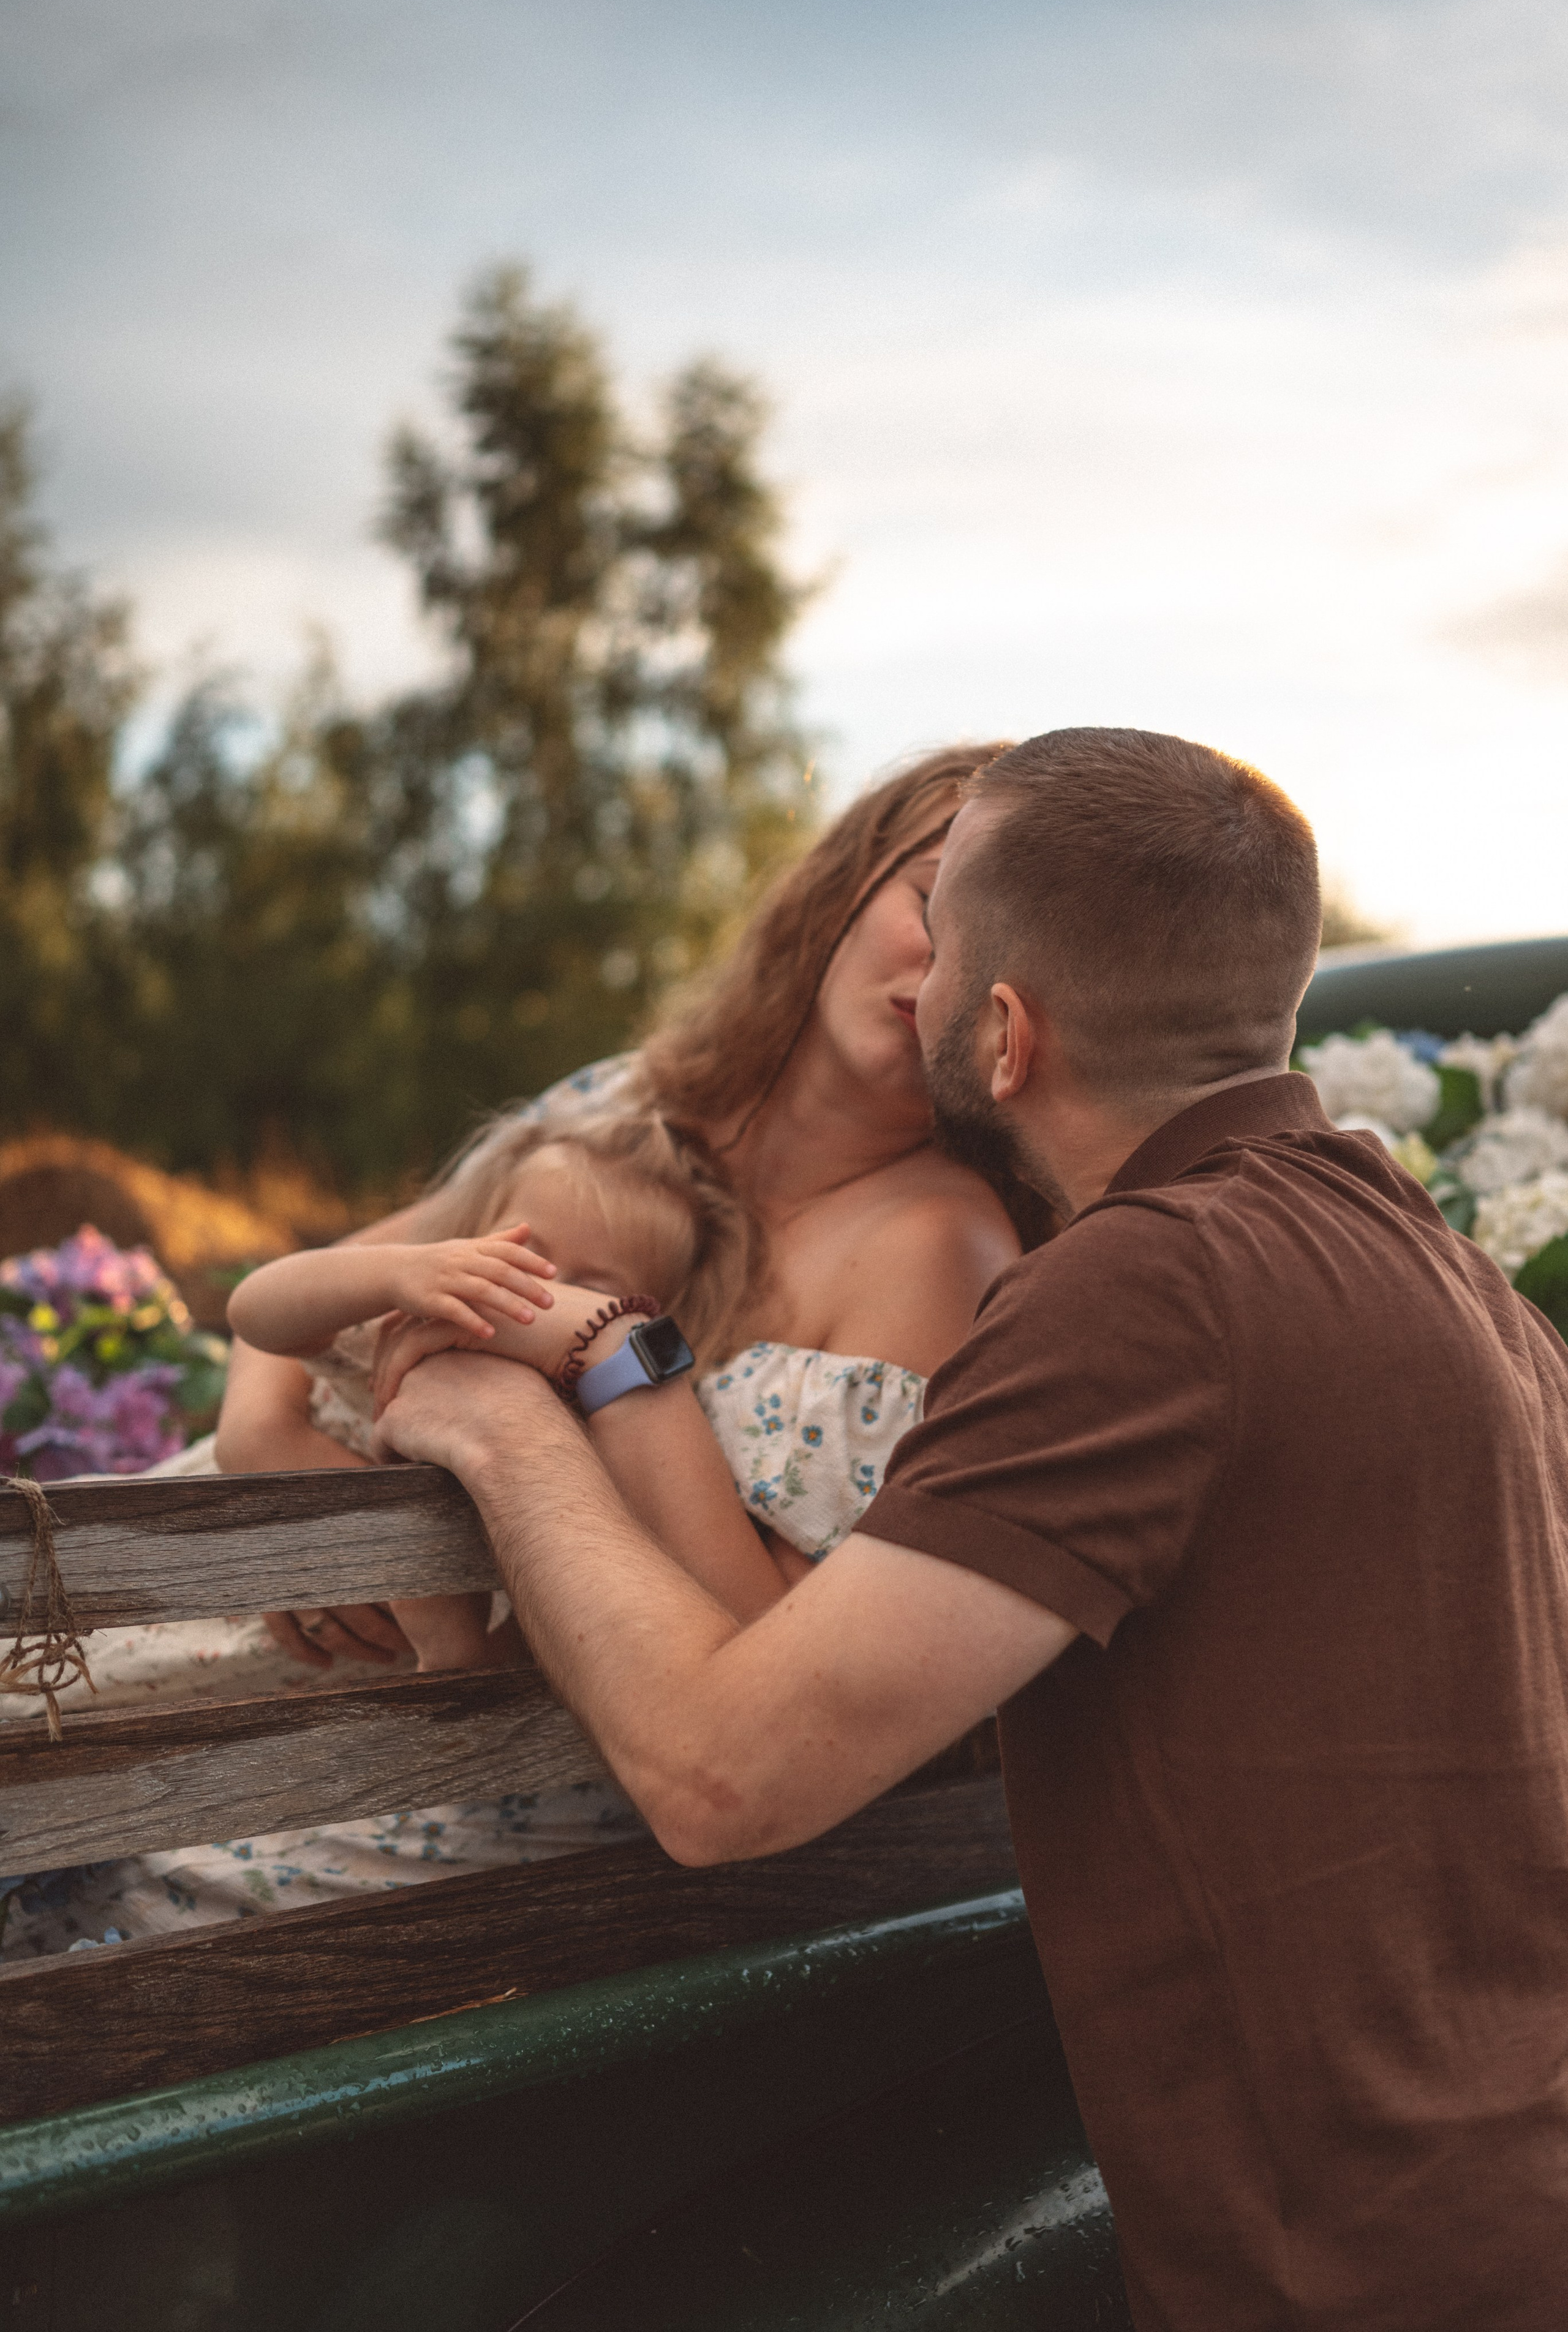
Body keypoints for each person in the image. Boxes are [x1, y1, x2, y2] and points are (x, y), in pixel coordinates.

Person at [377, 725, 1568, 2331]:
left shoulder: (1144, 1294)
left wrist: (507, 1422)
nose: (918, 982)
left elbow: (727, 1774)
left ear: (1003, 1036)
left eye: (949, 952)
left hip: (1348, 2276)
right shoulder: (1460, 1278)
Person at [0, 742, 1027, 1957]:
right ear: (854, 877)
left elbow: (770, 1676)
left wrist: (595, 1360)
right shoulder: (637, 1096)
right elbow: (355, 1277)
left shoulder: (935, 1247)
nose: (942, 974)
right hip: (259, 1553)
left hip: (445, 1743)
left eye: (1002, 962)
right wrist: (261, 1428)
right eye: (928, 903)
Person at [225, 1111, 754, 1668]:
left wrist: (455, 1642)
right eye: (522, 1255)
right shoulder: (404, 1333)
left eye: (585, 1289)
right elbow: (254, 1310)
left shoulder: (593, 1455)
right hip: (195, 1580)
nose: (539, 1288)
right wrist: (394, 1273)